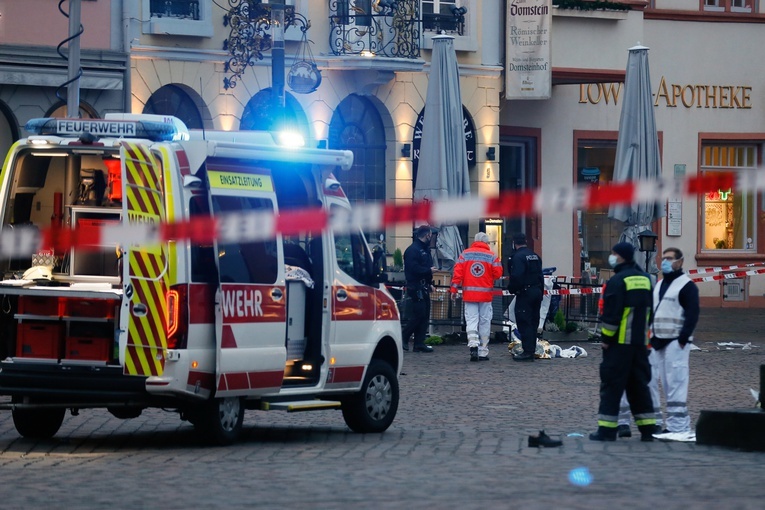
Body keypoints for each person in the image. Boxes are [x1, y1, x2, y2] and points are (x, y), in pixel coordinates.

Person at [590, 242, 657, 442]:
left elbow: (611, 314)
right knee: (639, 386)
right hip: (640, 344)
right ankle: (648, 430)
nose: (611, 257)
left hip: (619, 346)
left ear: (620, 257)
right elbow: (652, 312)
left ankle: (607, 430)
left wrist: (606, 339)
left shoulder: (617, 281)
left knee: (611, 386)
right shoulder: (648, 279)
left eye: (613, 254)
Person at [650, 247, 700, 440]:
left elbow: (692, 314)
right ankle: (664, 424)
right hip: (658, 341)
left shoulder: (686, 285)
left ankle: (678, 425)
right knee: (659, 381)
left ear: (680, 261)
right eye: (663, 258)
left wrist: (683, 338)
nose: (665, 262)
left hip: (676, 341)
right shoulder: (660, 283)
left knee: (676, 383)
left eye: (670, 258)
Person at [450, 232, 503, 361]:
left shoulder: (465, 254)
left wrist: (454, 289)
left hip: (469, 295)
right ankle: (483, 351)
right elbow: (498, 273)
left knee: (472, 321)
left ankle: (473, 347)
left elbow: (458, 273)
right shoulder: (492, 256)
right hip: (485, 296)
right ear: (486, 243)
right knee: (485, 322)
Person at [506, 232, 543, 362]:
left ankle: (527, 352)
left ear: (514, 243)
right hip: (536, 291)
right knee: (533, 322)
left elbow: (517, 276)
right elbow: (540, 275)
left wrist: (512, 289)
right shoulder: (534, 255)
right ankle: (531, 349)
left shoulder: (518, 257)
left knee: (524, 322)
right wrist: (541, 292)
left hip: (525, 293)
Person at [401, 225, 436, 353]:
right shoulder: (413, 250)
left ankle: (419, 343)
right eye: (431, 235)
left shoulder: (424, 249)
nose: (431, 237)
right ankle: (404, 336)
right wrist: (428, 271)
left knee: (425, 314)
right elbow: (412, 269)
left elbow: (425, 266)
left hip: (423, 286)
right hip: (415, 286)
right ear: (427, 235)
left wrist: (429, 283)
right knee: (418, 314)